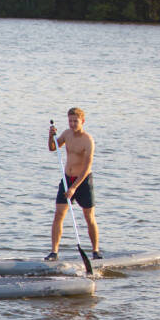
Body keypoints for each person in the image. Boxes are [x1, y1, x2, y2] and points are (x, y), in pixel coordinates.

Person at [46, 107, 101, 260]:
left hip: (82, 181)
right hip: (66, 179)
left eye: (75, 121)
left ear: (82, 121)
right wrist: (50, 136)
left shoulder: (88, 140)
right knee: (58, 215)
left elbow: (87, 166)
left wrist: (74, 188)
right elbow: (52, 148)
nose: (72, 124)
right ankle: (54, 252)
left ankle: (95, 251)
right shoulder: (66, 134)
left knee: (89, 217)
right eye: (70, 121)